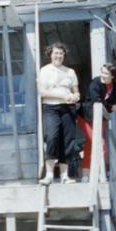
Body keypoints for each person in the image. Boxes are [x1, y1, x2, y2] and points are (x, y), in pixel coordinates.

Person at [38, 42, 79, 185]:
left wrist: (76, 96)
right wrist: (62, 96)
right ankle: (49, 175)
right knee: (52, 137)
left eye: (61, 53)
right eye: (56, 53)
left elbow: (76, 90)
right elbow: (42, 92)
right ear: (50, 54)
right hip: (51, 108)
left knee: (67, 141)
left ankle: (64, 176)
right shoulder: (45, 70)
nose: (59, 56)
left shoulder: (70, 72)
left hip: (68, 108)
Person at [77, 63, 116, 182]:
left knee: (90, 145)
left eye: (106, 73)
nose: (102, 75)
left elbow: (113, 104)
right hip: (86, 117)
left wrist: (109, 106)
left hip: (100, 119)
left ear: (112, 76)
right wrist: (109, 106)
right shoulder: (96, 82)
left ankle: (85, 176)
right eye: (102, 72)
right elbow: (97, 101)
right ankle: (100, 174)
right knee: (99, 143)